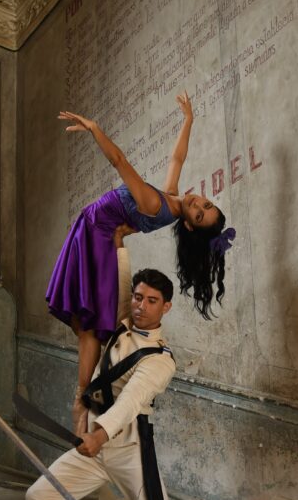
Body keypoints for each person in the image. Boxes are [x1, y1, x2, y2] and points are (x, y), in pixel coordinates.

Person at [3, 266, 207, 500]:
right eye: (138, 297)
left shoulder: (161, 360)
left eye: (152, 301)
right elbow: (118, 269)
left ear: (167, 307)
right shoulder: (120, 323)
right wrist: (117, 239)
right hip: (94, 447)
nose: (142, 305)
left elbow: (130, 402)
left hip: (129, 447)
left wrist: (98, 434)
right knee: (38, 497)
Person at [46, 93, 234, 435]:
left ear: (189, 225)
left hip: (96, 234)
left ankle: (81, 401)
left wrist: (95, 129)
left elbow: (119, 161)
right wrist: (189, 121)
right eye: (205, 204)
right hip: (94, 231)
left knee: (89, 324)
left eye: (199, 212)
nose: (198, 203)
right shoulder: (171, 199)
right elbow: (177, 157)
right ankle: (89, 395)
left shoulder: (154, 204)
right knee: (85, 322)